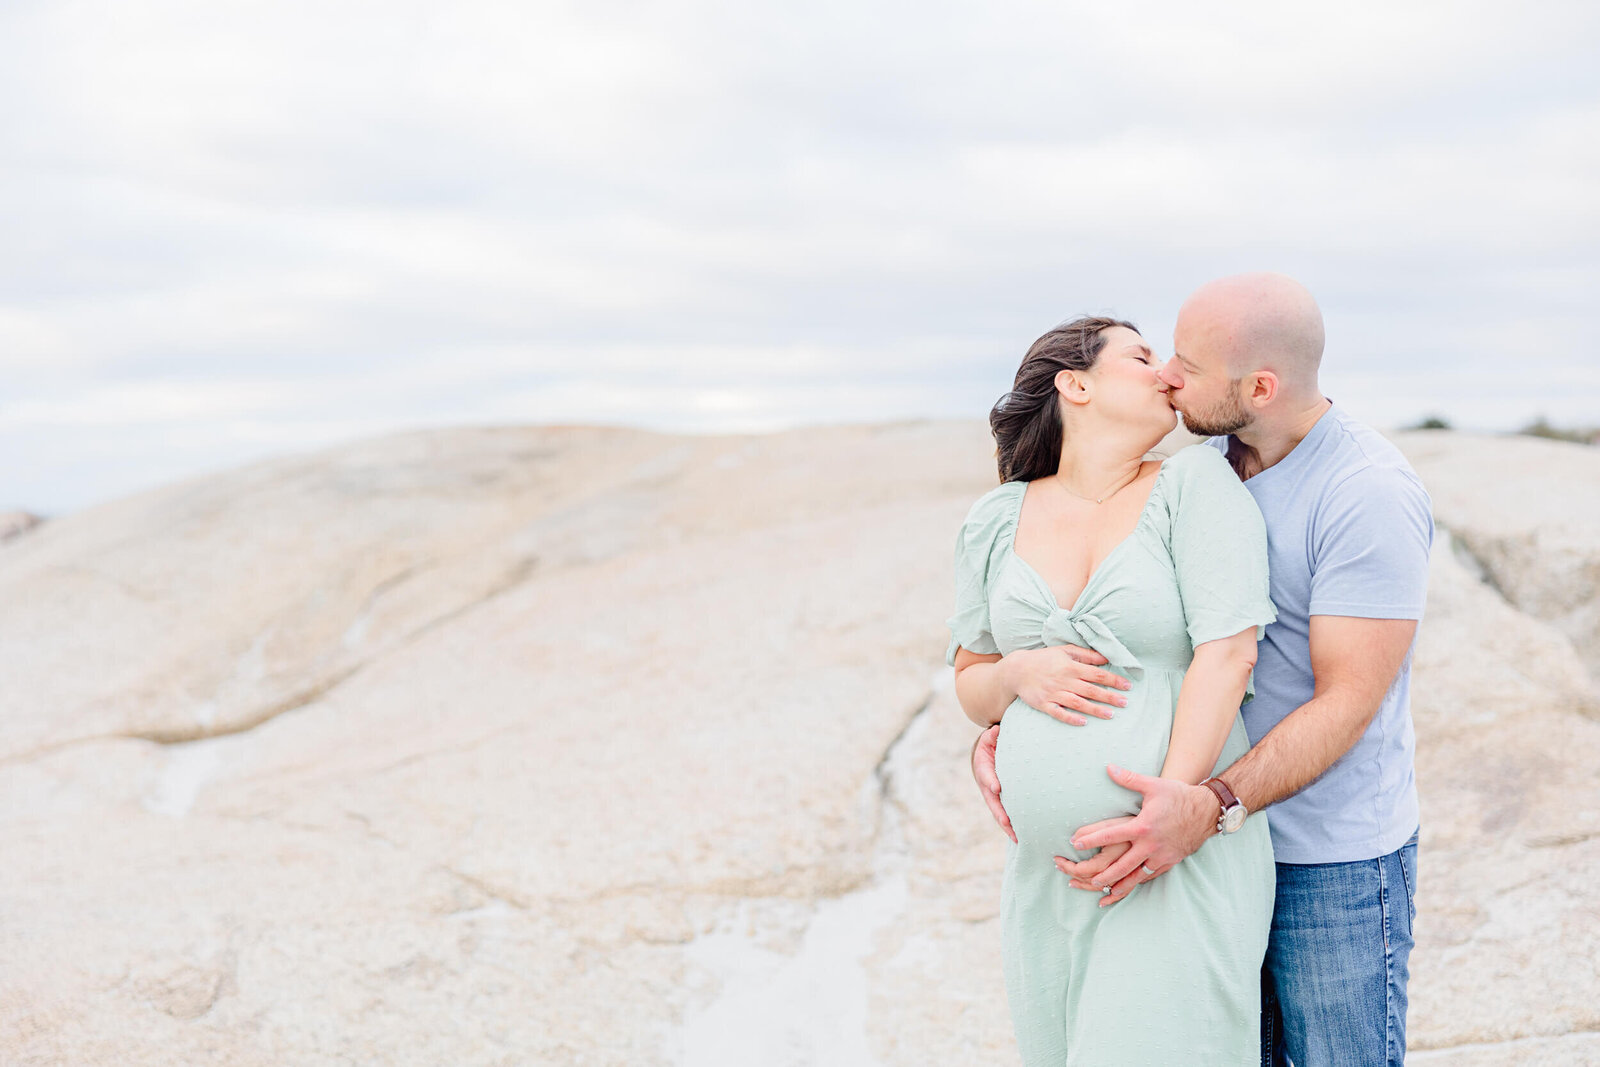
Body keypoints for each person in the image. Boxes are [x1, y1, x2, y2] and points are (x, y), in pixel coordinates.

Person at [969, 273, 1433, 1066]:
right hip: (1199, 845)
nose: (1169, 375)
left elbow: (1348, 701)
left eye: (1185, 361)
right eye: (1161, 353)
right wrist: (1017, 722)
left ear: (1259, 386)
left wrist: (1206, 802)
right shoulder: (1212, 459)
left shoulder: (1366, 493)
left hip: (1326, 853)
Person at [946, 315, 1279, 1064]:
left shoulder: (1193, 484)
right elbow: (971, 681)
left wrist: (1171, 805)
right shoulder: (997, 519)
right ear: (1077, 383)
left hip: (1169, 855)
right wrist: (1016, 673)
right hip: (1046, 880)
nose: (1167, 373)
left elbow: (1228, 655)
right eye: (1142, 355)